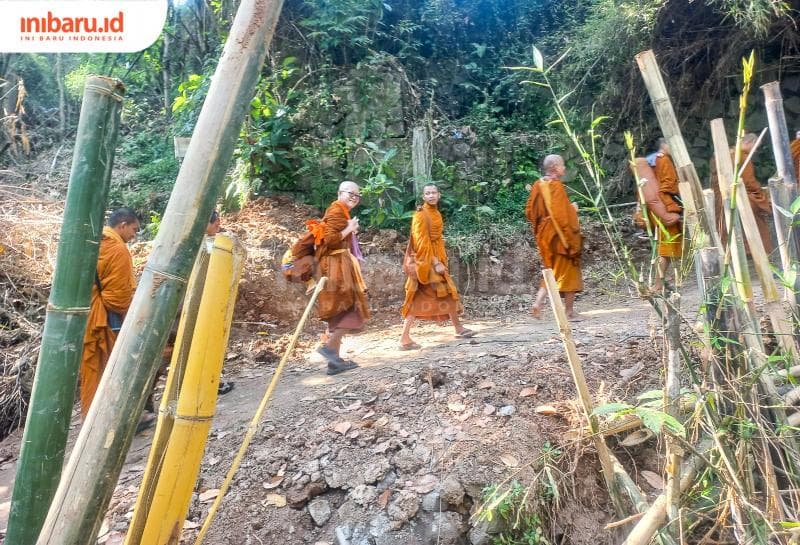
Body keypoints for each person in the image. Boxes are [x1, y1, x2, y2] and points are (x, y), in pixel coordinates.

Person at [399, 184, 474, 350]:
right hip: (427, 263)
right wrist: (434, 262)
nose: (431, 195)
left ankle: (458, 328)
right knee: (418, 298)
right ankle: (404, 337)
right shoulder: (420, 215)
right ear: (423, 197)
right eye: (428, 193)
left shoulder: (436, 212)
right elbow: (421, 243)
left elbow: (435, 238)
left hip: (437, 258)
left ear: (439, 195)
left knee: (447, 293)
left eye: (434, 193)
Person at [80, 207, 139, 418]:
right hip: (103, 319)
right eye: (134, 229)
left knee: (91, 371)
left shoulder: (92, 241)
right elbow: (117, 299)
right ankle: (105, 419)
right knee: (106, 369)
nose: (134, 235)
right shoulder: (117, 249)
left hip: (82, 315)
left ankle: (92, 417)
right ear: (122, 225)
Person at [315, 181, 370, 375]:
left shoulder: (341, 211)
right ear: (339, 193)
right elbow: (330, 240)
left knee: (339, 311)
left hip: (339, 263)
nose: (354, 197)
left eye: (357, 195)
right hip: (336, 266)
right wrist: (349, 228)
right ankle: (328, 348)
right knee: (352, 308)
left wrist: (348, 228)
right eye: (350, 193)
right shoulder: (336, 210)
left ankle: (334, 362)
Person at [525, 154, 585, 321]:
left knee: (552, 271)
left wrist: (543, 226)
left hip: (545, 236)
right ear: (553, 168)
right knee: (570, 270)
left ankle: (538, 302)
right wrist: (573, 209)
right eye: (562, 165)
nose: (564, 168)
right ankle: (569, 312)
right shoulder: (556, 185)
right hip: (559, 236)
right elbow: (561, 217)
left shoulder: (538, 185)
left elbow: (530, 212)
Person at [711, 132, 773, 254]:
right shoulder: (742, 157)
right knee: (755, 220)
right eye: (755, 147)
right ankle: (752, 250)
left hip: (722, 198)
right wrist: (762, 194)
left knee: (726, 226)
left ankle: (729, 251)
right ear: (749, 143)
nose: (755, 151)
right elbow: (749, 183)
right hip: (739, 197)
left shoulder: (723, 154)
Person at [652, 138, 683, 290]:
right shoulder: (663, 160)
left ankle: (663, 281)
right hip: (668, 206)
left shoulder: (659, 160)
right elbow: (668, 184)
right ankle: (657, 284)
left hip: (667, 204)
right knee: (665, 249)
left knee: (669, 249)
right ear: (664, 145)